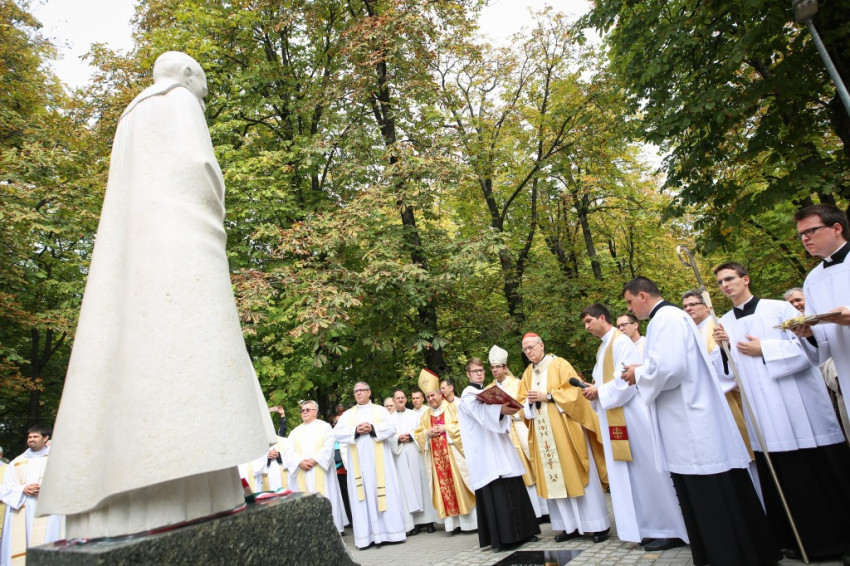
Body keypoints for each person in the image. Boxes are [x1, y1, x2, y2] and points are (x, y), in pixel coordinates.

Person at [37, 52, 277, 538]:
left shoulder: (131, 117)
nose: (204, 97)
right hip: (179, 247)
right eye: (204, 86)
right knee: (190, 351)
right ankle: (196, 479)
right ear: (187, 75)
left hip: (138, 251)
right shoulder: (177, 99)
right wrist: (216, 215)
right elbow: (198, 168)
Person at [621, 276, 779, 566]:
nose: (630, 309)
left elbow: (671, 369)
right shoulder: (672, 317)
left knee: (708, 489)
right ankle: (750, 550)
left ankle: (728, 556)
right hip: (691, 414)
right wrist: (645, 368)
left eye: (630, 302)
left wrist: (637, 374)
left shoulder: (665, 319)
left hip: (689, 421)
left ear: (642, 296)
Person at [711, 262, 850, 560]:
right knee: (780, 477)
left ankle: (836, 541)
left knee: (815, 474)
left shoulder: (779, 309)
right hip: (762, 413)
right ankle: (791, 540)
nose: (724, 285)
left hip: (798, 406)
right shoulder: (722, 323)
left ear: (746, 279)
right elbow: (725, 376)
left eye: (729, 278)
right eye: (720, 282)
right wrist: (723, 349)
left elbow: (811, 351)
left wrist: (765, 349)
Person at [579, 304, 688, 552]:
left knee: (648, 472)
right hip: (616, 418)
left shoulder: (621, 342)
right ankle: (649, 527)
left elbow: (626, 380)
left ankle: (670, 528)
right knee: (633, 477)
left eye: (588, 321)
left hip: (632, 418)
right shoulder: (604, 347)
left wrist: (599, 391)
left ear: (602, 318)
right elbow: (602, 380)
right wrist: (593, 389)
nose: (586, 327)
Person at [516, 333, 610, 544]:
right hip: (544, 435)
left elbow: (575, 393)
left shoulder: (559, 364)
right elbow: (520, 402)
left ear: (541, 345)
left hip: (565, 431)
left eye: (531, 347)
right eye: (525, 349)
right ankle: (570, 526)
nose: (529, 351)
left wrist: (548, 396)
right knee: (556, 479)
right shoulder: (527, 373)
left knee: (576, 472)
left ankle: (597, 525)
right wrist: (528, 403)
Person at [458, 358, 540, 551]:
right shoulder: (468, 394)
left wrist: (504, 409)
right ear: (468, 374)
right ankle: (504, 538)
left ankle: (524, 532)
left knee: (513, 485)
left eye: (481, 370)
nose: (479, 373)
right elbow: (481, 414)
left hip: (500, 446)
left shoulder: (485, 391)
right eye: (475, 371)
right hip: (485, 452)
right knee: (498, 491)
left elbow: (494, 415)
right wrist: (500, 409)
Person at [682, 290, 756, 478]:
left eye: (693, 304)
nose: (688, 309)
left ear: (706, 307)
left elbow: (726, 365)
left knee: (744, 455)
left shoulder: (718, 326)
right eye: (685, 306)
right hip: (706, 402)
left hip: (728, 397)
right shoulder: (690, 333)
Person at [333, 382, 406, 549]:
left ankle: (391, 533)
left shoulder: (380, 410)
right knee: (363, 496)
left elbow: (391, 428)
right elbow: (336, 433)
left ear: (369, 392)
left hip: (381, 464)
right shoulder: (348, 415)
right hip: (359, 465)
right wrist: (355, 430)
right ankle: (366, 537)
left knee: (384, 492)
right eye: (356, 391)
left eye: (362, 390)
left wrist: (373, 428)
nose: (359, 393)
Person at [414, 369, 477, 534]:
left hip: (455, 458)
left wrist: (446, 428)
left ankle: (469, 524)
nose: (431, 399)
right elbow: (418, 434)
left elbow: (464, 427)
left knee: (460, 486)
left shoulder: (453, 408)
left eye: (433, 395)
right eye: (428, 397)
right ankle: (453, 525)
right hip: (438, 462)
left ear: (440, 394)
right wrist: (427, 433)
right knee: (445, 490)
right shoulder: (425, 416)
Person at [487, 345, 546, 520]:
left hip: (521, 430)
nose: (495, 370)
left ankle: (544, 510)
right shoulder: (490, 390)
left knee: (531, 465)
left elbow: (525, 406)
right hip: (504, 435)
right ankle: (528, 513)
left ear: (505, 368)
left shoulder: (518, 384)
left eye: (498, 367)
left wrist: (512, 413)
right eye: (492, 367)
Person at [785, 286, 848, 438]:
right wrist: (809, 337)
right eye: (790, 303)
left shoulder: (826, 315)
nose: (795, 305)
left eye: (798, 300)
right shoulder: (789, 325)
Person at [1, 426, 62, 566]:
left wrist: (46, 488)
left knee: (48, 540)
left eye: (35, 437)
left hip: (47, 510)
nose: (31, 440)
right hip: (22, 507)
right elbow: (5, 488)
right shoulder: (16, 462)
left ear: (45, 438)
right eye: (29, 437)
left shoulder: (56, 459)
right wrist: (23, 489)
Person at [285, 400, 349, 534]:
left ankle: (332, 529)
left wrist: (314, 460)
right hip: (303, 471)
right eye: (302, 410)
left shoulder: (325, 427)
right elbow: (289, 451)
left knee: (327, 496)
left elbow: (329, 447)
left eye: (308, 410)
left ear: (315, 412)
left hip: (321, 470)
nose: (304, 412)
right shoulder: (295, 432)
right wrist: (300, 462)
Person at [390, 389, 437, 536]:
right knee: (406, 488)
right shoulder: (389, 419)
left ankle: (429, 521)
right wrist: (397, 439)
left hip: (415, 452)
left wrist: (411, 436)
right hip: (400, 454)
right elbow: (387, 437)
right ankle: (414, 523)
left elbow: (423, 432)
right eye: (397, 398)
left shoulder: (415, 415)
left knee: (421, 485)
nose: (400, 400)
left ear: (406, 400)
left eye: (402, 397)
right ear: (394, 400)